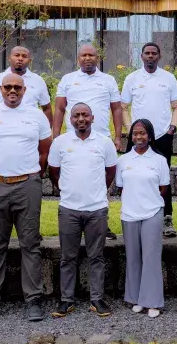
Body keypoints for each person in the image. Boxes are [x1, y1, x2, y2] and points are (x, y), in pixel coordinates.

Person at [0, 73, 52, 323]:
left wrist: (29, 174)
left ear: (25, 90)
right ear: (0, 89)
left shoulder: (35, 115)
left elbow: (45, 149)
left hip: (27, 185)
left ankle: (33, 300)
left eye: (17, 87)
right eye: (8, 87)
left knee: (30, 244)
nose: (13, 91)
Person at [48, 103, 118, 319]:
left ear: (92, 118)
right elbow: (54, 172)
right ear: (70, 119)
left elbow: (110, 173)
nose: (81, 119)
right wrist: (69, 191)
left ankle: (96, 299)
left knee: (96, 256)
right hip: (69, 209)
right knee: (68, 257)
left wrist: (95, 193)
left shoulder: (104, 143)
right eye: (76, 115)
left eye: (85, 115)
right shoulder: (60, 143)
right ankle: (66, 300)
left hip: (96, 209)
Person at [54, 43, 123, 240]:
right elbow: (59, 109)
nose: (87, 59)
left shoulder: (108, 80)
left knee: (102, 181)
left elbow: (116, 109)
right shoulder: (68, 80)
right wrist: (56, 136)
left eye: (91, 55)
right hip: (72, 139)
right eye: (83, 55)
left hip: (101, 139)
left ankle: (103, 223)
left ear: (97, 58)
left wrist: (117, 136)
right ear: (78, 59)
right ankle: (72, 222)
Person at [121, 43, 177, 238]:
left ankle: (167, 219)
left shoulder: (168, 78)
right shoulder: (132, 78)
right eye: (147, 53)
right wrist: (130, 129)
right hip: (137, 135)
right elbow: (123, 106)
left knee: (163, 176)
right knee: (133, 175)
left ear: (159, 56)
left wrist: (172, 126)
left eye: (154, 53)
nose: (150, 56)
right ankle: (132, 214)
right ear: (141, 56)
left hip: (162, 135)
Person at [117, 118, 171, 319]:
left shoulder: (159, 160)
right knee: (133, 258)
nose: (139, 137)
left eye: (143, 133)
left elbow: (163, 188)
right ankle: (136, 298)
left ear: (150, 136)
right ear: (131, 136)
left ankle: (153, 301)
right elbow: (121, 187)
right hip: (129, 213)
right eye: (135, 133)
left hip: (152, 213)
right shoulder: (123, 161)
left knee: (151, 258)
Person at [0, 46, 53, 123]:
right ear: (9, 58)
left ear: (29, 60)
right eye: (17, 55)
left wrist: (47, 132)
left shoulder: (38, 80)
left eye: (24, 56)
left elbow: (47, 109)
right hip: (2, 125)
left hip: (30, 126)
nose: (20, 58)